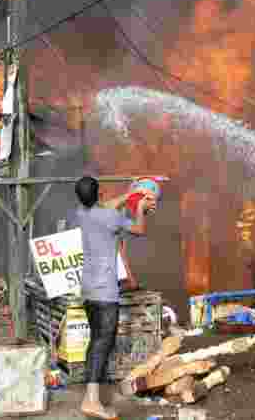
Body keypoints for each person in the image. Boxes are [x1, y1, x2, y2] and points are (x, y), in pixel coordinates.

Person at [74, 176, 155, 420]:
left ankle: (91, 397)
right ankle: (91, 401)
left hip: (88, 289)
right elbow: (139, 229)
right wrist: (139, 207)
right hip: (105, 291)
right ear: (99, 194)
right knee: (103, 343)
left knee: (95, 341)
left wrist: (129, 195)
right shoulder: (109, 217)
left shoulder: (82, 213)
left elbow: (105, 205)